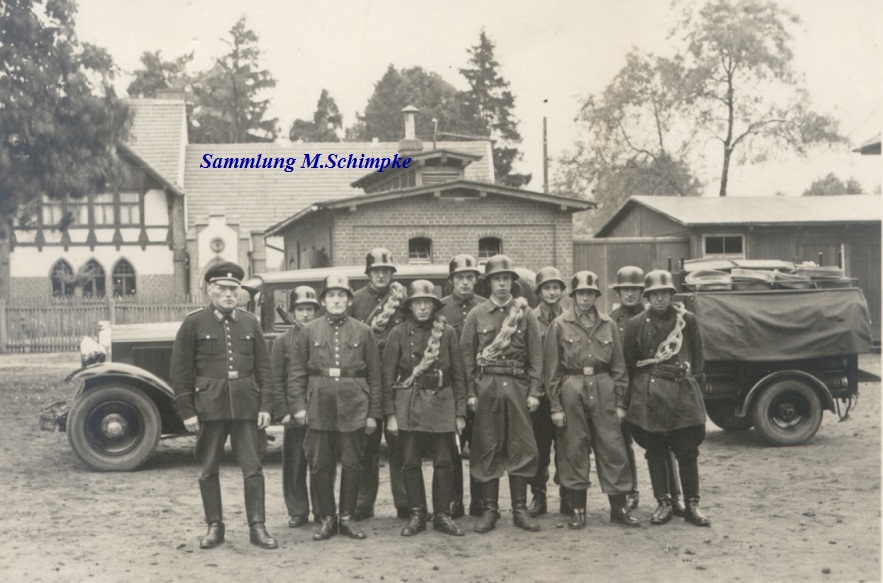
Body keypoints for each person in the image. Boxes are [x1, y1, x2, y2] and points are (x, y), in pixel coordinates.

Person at [170, 261, 278, 550]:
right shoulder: (193, 323)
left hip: (246, 406)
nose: (230, 294)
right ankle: (214, 526)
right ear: (210, 290)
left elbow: (264, 369)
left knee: (253, 468)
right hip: (209, 406)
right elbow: (180, 372)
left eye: (234, 289)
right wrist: (188, 411)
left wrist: (266, 405)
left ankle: (258, 526)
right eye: (223, 289)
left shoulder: (249, 322)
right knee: (208, 469)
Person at [288, 274, 383, 540]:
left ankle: (347, 518)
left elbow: (375, 375)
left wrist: (373, 413)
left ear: (350, 300)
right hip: (318, 404)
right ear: (323, 301)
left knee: (353, 463)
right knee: (320, 463)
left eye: (342, 295)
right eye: (331, 295)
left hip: (355, 405)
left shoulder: (364, 331)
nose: (337, 300)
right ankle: (327, 518)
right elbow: (296, 372)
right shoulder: (309, 331)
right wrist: (298, 406)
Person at [544, 271, 639, 529]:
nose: (585, 298)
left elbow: (619, 367)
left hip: (604, 387)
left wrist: (620, 403)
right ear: (573, 295)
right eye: (580, 293)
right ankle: (578, 510)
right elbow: (552, 370)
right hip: (571, 388)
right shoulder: (560, 325)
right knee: (574, 448)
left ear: (596, 296)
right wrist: (555, 406)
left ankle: (618, 508)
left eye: (590, 293)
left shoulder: (608, 324)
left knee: (613, 447)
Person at [622, 269, 711, 527]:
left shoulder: (687, 320)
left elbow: (698, 360)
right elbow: (631, 363)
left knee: (687, 450)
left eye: (664, 293)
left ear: (671, 294)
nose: (659, 298)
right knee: (656, 451)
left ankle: (692, 504)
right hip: (650, 396)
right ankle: (663, 503)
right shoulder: (636, 323)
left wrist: (693, 390)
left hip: (681, 393)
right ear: (647, 297)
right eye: (654, 294)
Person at [461, 254, 543, 534]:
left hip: (518, 387)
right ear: (488, 283)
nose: (502, 285)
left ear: (512, 282)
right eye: (497, 279)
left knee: (520, 445)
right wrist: (471, 391)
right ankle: (489, 510)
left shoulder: (525, 313)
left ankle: (519, 509)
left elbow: (536, 357)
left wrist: (534, 391)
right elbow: (467, 357)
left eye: (506, 279)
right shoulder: (477, 314)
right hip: (487, 387)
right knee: (487, 445)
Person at [383, 280, 468, 537]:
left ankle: (442, 515)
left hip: (442, 401)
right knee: (409, 461)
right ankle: (417, 514)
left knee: (444, 461)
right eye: (417, 302)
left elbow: (459, 375)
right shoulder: (397, 333)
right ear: (409, 306)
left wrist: (460, 412)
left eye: (427, 302)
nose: (422, 307)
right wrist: (390, 414)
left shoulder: (447, 333)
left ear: (434, 305)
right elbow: (388, 376)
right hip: (409, 401)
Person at [610, 266, 684, 515]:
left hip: (651, 387)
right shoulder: (611, 319)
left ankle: (673, 496)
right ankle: (630, 492)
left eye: (635, 290)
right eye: (625, 290)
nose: (629, 294)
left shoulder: (651, 315)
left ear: (643, 292)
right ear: (618, 292)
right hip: (623, 387)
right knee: (623, 443)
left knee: (664, 442)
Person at [349, 248, 408, 520]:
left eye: (386, 270)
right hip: (367, 382)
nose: (381, 275)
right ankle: (362, 503)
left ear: (392, 273)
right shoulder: (356, 301)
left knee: (400, 445)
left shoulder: (404, 301)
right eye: (376, 271)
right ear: (368, 274)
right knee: (367, 446)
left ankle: (405, 502)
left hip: (397, 380)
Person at [438, 254, 486, 518]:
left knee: (480, 446)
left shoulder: (487, 307)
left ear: (476, 280)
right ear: (451, 281)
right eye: (460, 278)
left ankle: (479, 500)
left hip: (481, 386)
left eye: (470, 278)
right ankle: (454, 500)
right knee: (451, 448)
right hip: (451, 388)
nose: (465, 283)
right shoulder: (440, 309)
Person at [271, 286, 322, 528]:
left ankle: (323, 509)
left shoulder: (323, 336)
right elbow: (276, 379)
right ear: (293, 312)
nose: (305, 314)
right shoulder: (282, 342)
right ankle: (298, 510)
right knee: (294, 462)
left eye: (309, 309)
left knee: (321, 462)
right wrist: (283, 412)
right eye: (300, 309)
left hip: (320, 409)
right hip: (293, 411)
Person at [528, 266, 569, 517]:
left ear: (563, 291)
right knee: (539, 448)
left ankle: (567, 495)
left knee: (566, 447)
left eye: (556, 287)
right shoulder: (529, 318)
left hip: (566, 392)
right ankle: (538, 497)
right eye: (546, 288)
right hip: (540, 394)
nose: (551, 292)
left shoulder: (570, 317)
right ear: (539, 292)